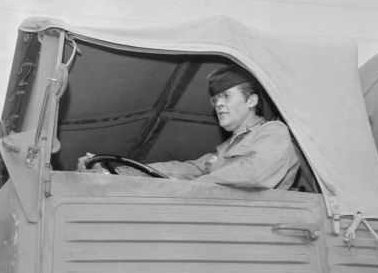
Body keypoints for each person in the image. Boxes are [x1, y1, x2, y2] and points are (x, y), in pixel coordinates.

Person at [78, 65, 300, 190]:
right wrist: (113, 172)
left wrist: (191, 187)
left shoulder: (274, 132)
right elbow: (180, 170)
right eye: (215, 99)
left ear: (251, 101)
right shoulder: (225, 149)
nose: (218, 104)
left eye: (226, 96)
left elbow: (253, 173)